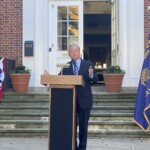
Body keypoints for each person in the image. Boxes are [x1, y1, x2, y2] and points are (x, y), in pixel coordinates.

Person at [44, 44, 98, 150]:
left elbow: (95, 79)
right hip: (69, 101)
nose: (74, 53)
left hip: (84, 100)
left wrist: (91, 75)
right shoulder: (66, 66)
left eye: (76, 51)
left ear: (79, 52)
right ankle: (72, 146)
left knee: (83, 127)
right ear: (69, 54)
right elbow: (59, 80)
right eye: (71, 51)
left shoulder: (88, 64)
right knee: (71, 126)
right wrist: (49, 78)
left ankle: (82, 148)